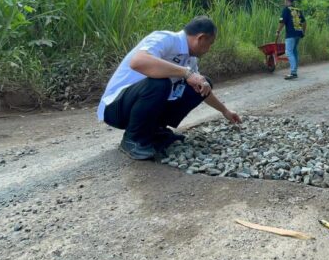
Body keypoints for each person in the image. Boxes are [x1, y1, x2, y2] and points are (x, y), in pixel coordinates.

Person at [97, 16, 241, 160]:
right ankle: (133, 139)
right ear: (201, 38)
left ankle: (155, 131)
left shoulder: (190, 60)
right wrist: (185, 72)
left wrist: (225, 111)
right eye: (210, 44)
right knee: (159, 83)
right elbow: (137, 61)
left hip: (138, 105)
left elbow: (203, 91)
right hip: (115, 107)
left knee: (203, 84)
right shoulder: (166, 39)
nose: (208, 49)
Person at [275, 0, 306, 80]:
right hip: (298, 34)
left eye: (285, 0)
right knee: (294, 51)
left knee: (289, 52)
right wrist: (303, 32)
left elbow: (282, 22)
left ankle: (293, 72)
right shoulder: (297, 10)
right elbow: (304, 22)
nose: (284, 1)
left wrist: (278, 31)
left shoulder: (286, 10)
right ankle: (294, 71)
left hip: (291, 34)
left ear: (287, 0)